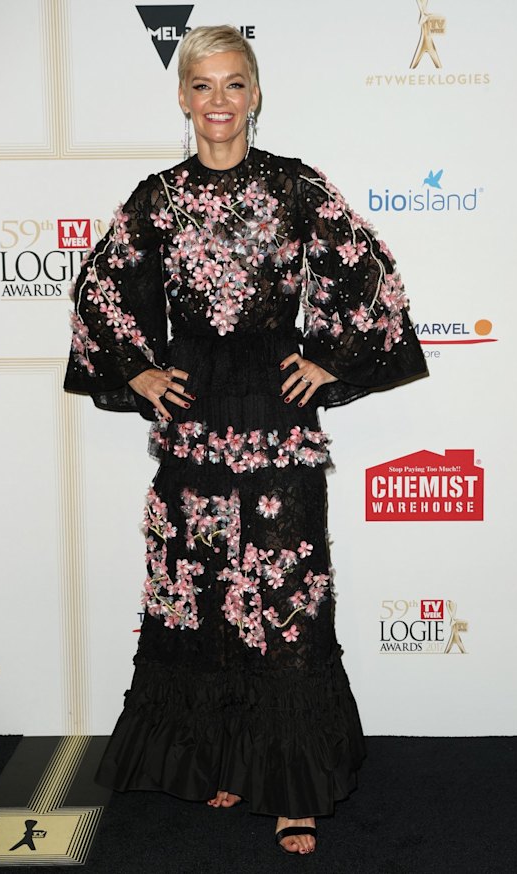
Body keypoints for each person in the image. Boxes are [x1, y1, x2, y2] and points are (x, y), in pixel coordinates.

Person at [64, 25, 427, 856]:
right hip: (193, 412)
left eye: (234, 85)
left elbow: (374, 276)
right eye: (203, 86)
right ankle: (225, 757)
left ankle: (291, 787)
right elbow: (98, 290)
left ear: (255, 95)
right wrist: (141, 370)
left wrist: (330, 359)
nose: (218, 103)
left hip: (273, 406)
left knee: (281, 591)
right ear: (183, 96)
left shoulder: (298, 188)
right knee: (201, 585)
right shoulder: (157, 197)